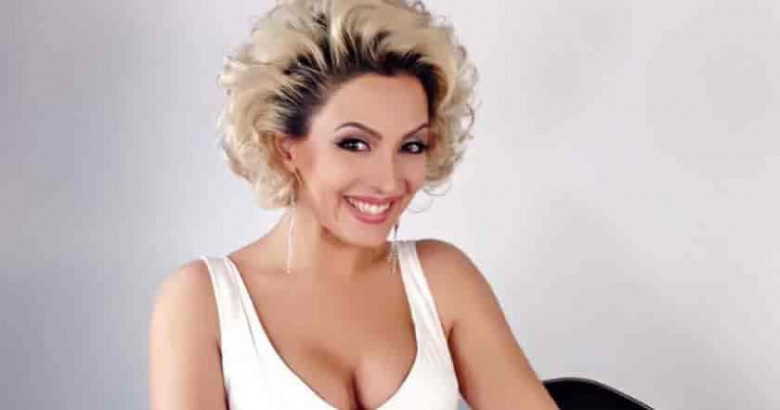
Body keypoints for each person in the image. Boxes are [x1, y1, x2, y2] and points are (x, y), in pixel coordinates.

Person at [149, 0, 558, 408]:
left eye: (411, 145)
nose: (388, 181)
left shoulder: (442, 280)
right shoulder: (202, 300)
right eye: (354, 144)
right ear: (286, 147)